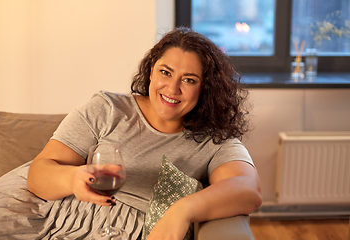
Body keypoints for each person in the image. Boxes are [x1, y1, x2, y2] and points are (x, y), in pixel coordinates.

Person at [27, 27, 262, 240]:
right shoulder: (107, 109)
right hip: (60, 222)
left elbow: (248, 189)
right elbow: (37, 176)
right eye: (165, 72)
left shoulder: (214, 140)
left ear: (205, 89)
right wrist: (72, 178)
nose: (172, 88)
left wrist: (181, 211)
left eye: (189, 80)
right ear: (151, 72)